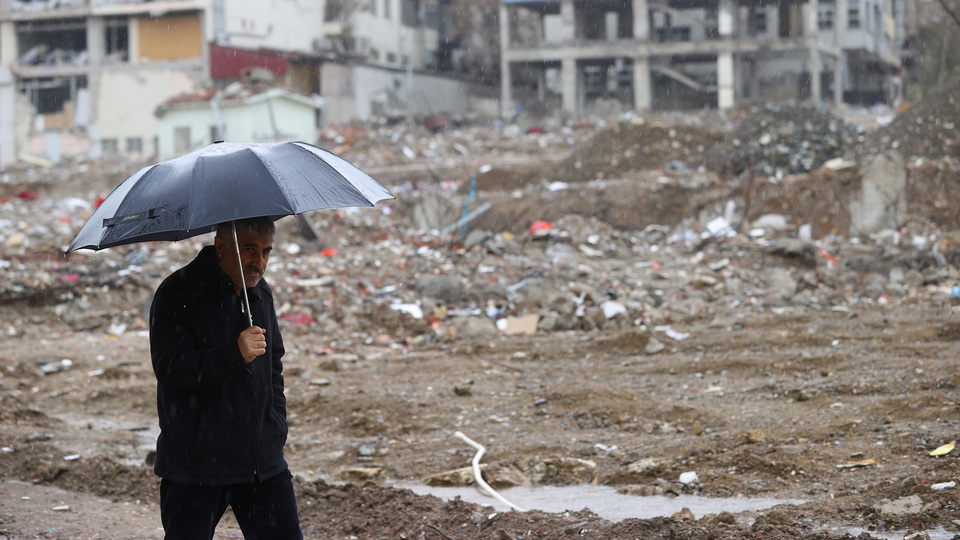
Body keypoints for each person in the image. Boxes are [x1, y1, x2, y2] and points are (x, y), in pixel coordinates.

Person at [149, 217, 301, 539]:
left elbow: (274, 363)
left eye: (266, 252)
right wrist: (234, 354)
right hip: (196, 465)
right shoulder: (178, 292)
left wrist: (275, 423)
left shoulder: (260, 293)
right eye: (249, 250)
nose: (258, 262)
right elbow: (171, 368)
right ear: (221, 247)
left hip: (262, 463)